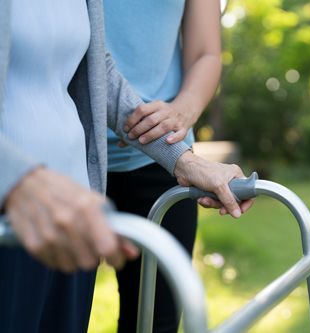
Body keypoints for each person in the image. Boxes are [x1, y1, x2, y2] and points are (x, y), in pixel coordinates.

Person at [0, 0, 252, 332]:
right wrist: (19, 181)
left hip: (80, 187)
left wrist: (180, 157)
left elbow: (95, 70)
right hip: (22, 205)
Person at [103, 1, 222, 331]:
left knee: (155, 322)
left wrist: (180, 113)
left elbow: (206, 53)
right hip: (68, 152)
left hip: (164, 158)